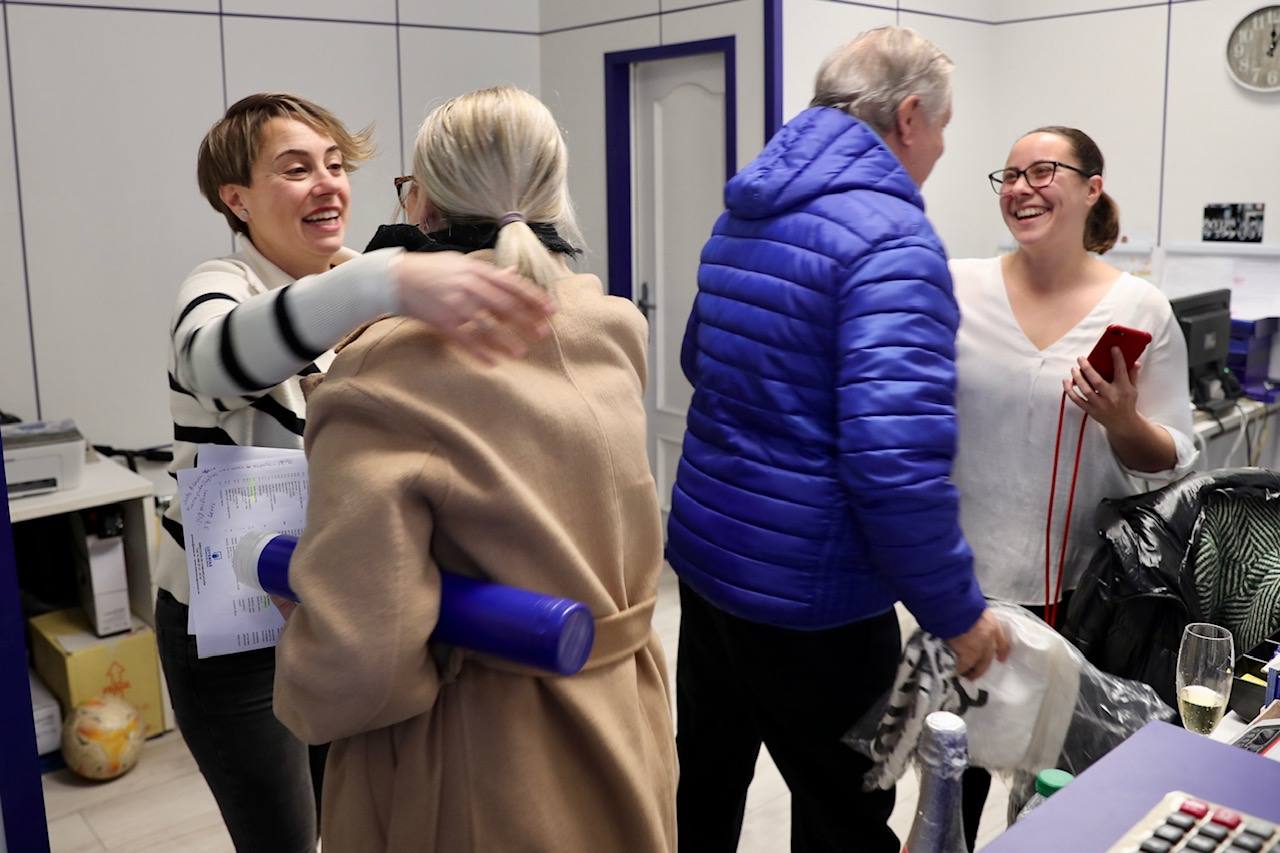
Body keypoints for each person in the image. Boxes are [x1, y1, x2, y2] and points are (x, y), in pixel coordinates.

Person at [269, 86, 677, 853]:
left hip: (482, 761)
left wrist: (307, 634)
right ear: (554, 193)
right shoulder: (616, 325)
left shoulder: (384, 368)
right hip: (629, 715)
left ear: (420, 204)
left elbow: (365, 654)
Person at [155, 92, 553, 853]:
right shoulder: (224, 285)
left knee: (352, 819)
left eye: (336, 166)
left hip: (334, 605)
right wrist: (385, 282)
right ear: (235, 198)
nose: (328, 185)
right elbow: (213, 359)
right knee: (282, 834)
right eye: (296, 169)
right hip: (236, 630)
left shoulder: (366, 278)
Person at [665, 27, 1009, 853]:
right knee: (845, 820)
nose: (940, 150)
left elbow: (695, 358)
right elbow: (893, 465)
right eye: (944, 128)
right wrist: (957, 615)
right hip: (816, 602)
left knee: (706, 788)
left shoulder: (745, 210)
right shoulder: (892, 240)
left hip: (711, 577)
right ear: (911, 115)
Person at [949, 125, 1196, 848]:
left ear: (1092, 187)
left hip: (1079, 595)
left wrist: (1122, 420)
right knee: (950, 774)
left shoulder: (1140, 309)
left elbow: (1170, 457)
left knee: (1055, 793)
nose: (1022, 187)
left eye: (1044, 171)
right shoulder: (957, 285)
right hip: (964, 590)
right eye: (1010, 175)